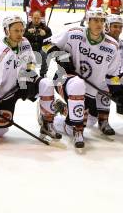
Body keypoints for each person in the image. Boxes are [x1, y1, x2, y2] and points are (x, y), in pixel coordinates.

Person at [43, 8, 123, 148]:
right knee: (77, 84)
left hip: (89, 92)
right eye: (95, 20)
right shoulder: (74, 33)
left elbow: (113, 75)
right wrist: (61, 56)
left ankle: (61, 109)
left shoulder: (112, 46)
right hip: (64, 79)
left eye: (102, 20)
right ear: (88, 21)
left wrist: (118, 92)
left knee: (88, 121)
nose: (99, 24)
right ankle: (73, 129)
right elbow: (46, 44)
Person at [0, 15, 60, 142]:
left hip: (23, 84)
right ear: (7, 31)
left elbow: (30, 62)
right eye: (16, 30)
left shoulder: (25, 42)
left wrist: (27, 77)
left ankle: (47, 123)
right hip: (5, 92)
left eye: (21, 30)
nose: (20, 34)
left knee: (46, 84)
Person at [24, 10, 52, 77]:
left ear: (41, 18)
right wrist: (27, 33)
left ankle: (43, 73)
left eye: (38, 18)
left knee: (45, 52)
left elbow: (51, 42)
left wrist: (45, 35)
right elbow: (20, 38)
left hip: (41, 50)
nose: (36, 20)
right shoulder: (25, 27)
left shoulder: (46, 29)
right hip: (30, 49)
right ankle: (30, 72)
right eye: (35, 18)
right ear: (31, 18)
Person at [105, 15, 123, 115]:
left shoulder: (121, 44)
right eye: (115, 26)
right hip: (98, 81)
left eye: (120, 27)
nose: (119, 30)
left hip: (113, 79)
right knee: (90, 121)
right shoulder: (100, 42)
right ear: (108, 26)